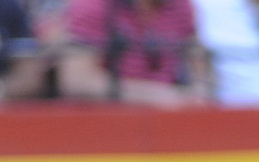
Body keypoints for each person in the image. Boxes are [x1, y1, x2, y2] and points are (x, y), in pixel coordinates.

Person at [57, 0, 209, 101]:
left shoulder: (182, 6)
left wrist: (199, 90)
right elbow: (77, 81)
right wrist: (155, 96)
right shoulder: (93, 5)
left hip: (165, 124)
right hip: (99, 123)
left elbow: (199, 63)